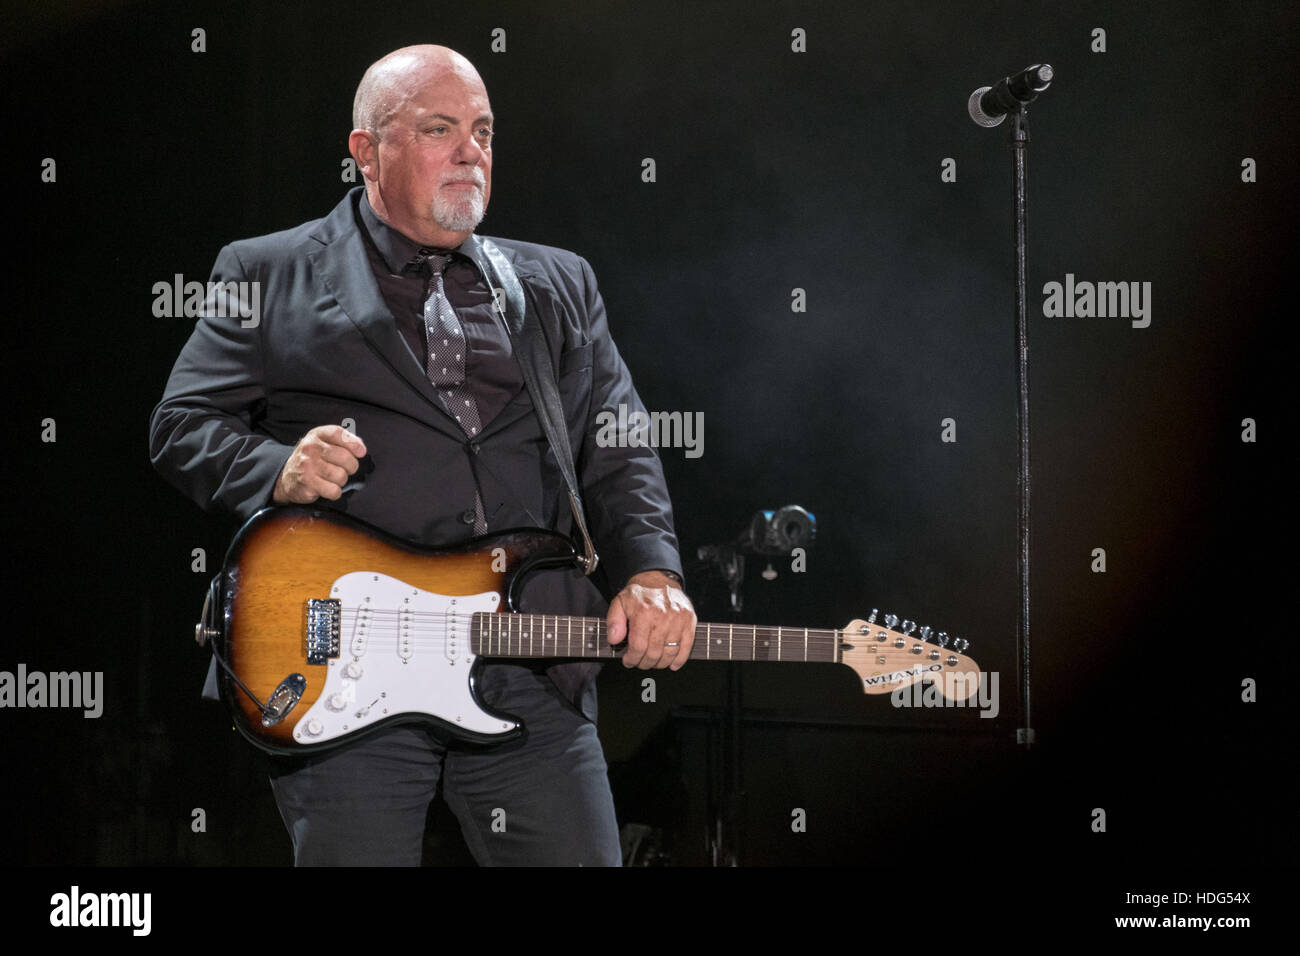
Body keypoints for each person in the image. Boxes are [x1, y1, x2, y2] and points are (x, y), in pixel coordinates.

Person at [149, 44, 696, 866]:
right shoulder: (264, 271)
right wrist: (277, 469)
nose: (471, 149)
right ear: (367, 150)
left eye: (482, 130)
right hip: (347, 665)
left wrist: (654, 571)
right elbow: (180, 424)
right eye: (441, 128)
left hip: (533, 660)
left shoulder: (558, 282)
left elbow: (617, 442)